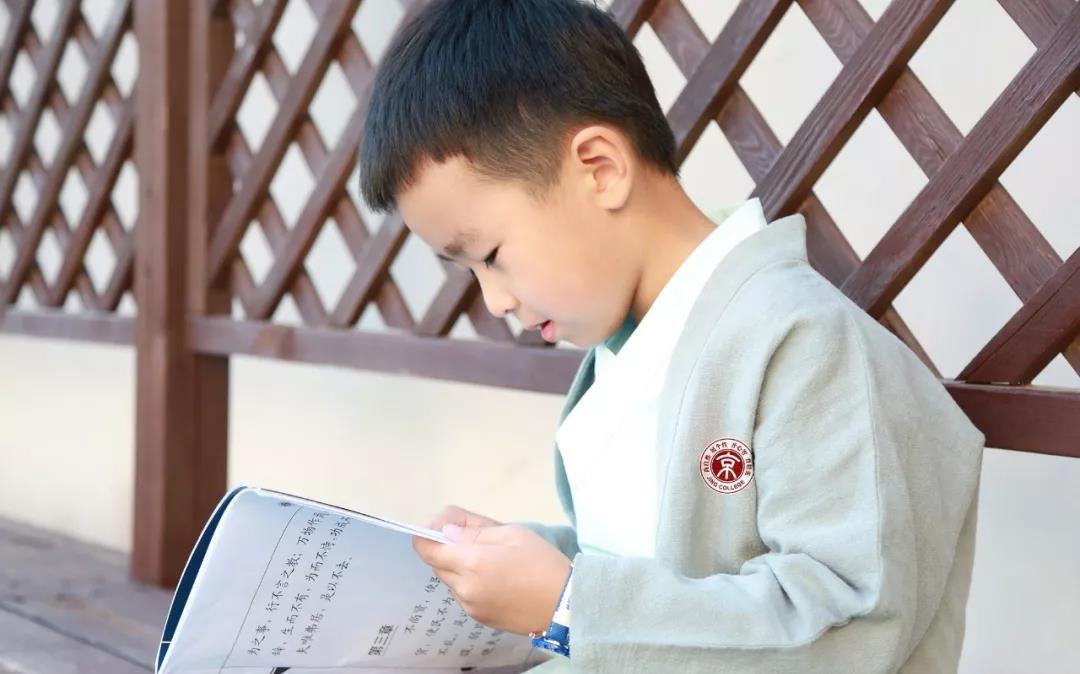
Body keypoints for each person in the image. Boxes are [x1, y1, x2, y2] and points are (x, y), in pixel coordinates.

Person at [357, 1, 985, 671]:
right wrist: (516, 573)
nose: (495, 299)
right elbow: (651, 567)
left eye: (490, 254)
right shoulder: (621, 358)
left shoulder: (806, 345)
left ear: (600, 167)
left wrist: (569, 604)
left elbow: (849, 623)